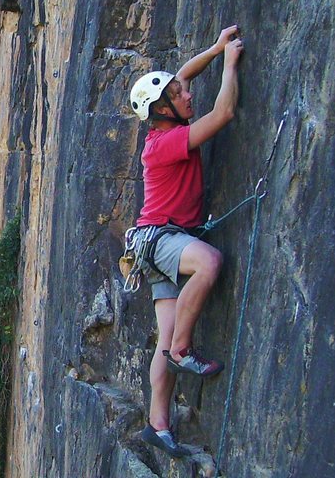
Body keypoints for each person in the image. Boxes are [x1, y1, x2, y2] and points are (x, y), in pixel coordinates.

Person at [127, 25, 244, 457]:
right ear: (163, 110)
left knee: (162, 337)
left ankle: (157, 424)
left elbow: (183, 74)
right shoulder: (165, 143)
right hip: (162, 240)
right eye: (179, 95)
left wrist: (214, 49)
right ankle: (183, 347)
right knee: (210, 263)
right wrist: (231, 65)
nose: (187, 94)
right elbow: (223, 114)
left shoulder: (165, 124)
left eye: (182, 90)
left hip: (151, 246)